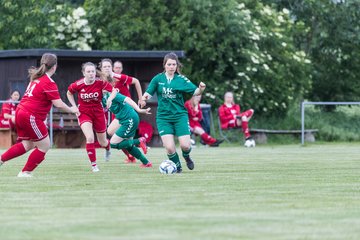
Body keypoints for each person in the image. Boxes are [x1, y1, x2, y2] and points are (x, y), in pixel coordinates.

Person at [0, 53, 78, 177]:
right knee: (45, 145)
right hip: (30, 115)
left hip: (21, 112)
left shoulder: (36, 79)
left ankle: (1, 160)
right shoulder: (49, 82)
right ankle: (25, 172)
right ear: (55, 66)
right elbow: (58, 104)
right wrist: (72, 109)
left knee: (28, 144)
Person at [141, 52, 206, 173]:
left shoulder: (181, 80)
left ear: (176, 66)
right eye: (169, 64)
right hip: (163, 117)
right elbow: (147, 94)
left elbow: (196, 92)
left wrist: (201, 88)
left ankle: (186, 156)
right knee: (170, 148)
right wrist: (143, 100)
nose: (171, 67)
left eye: (174, 64)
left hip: (179, 116)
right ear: (164, 65)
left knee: (185, 146)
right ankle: (178, 168)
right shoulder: (158, 79)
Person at [67, 62, 117, 172]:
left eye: (93, 71)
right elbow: (69, 93)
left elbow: (114, 91)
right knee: (89, 138)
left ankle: (108, 148)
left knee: (102, 142)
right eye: (88, 72)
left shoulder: (100, 82)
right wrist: (74, 106)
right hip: (84, 113)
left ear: (95, 72)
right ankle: (94, 165)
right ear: (84, 73)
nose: (91, 74)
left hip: (98, 113)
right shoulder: (78, 84)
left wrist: (109, 99)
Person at [100, 58, 145, 163]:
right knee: (113, 133)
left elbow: (136, 81)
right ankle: (133, 156)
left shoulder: (118, 77)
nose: (107, 68)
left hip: (127, 110)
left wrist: (141, 98)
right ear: (101, 68)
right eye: (104, 67)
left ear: (112, 68)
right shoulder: (102, 81)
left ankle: (136, 152)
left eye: (108, 66)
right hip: (118, 112)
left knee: (121, 138)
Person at [103, 91, 152, 168]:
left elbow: (128, 99)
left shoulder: (113, 94)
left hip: (129, 119)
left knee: (113, 143)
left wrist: (138, 109)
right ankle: (146, 162)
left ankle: (139, 141)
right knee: (128, 145)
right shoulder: (101, 97)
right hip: (123, 119)